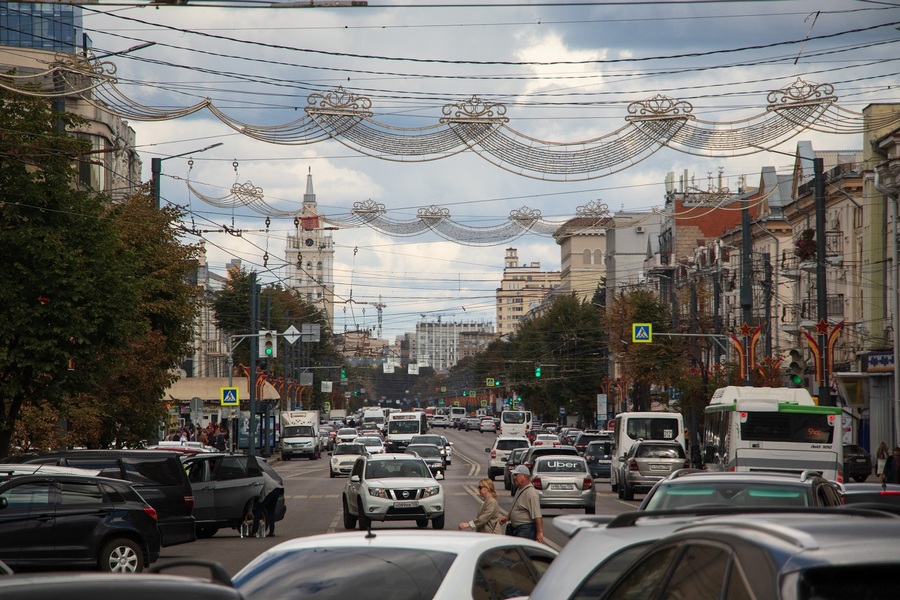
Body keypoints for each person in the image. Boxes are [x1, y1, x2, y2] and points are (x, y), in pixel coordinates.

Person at [499, 464, 544, 544]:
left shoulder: (531, 493)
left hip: (526, 530)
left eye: (516, 475)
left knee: (522, 553)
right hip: (518, 529)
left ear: (524, 476)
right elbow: (518, 507)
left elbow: (537, 515)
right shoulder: (520, 489)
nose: (514, 477)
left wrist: (539, 533)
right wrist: (507, 517)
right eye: (513, 475)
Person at [254, 466, 284, 537]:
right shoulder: (264, 473)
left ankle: (254, 531)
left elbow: (261, 491)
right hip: (276, 490)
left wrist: (259, 501)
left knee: (258, 510)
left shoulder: (257, 476)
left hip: (269, 491)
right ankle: (272, 532)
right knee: (271, 512)